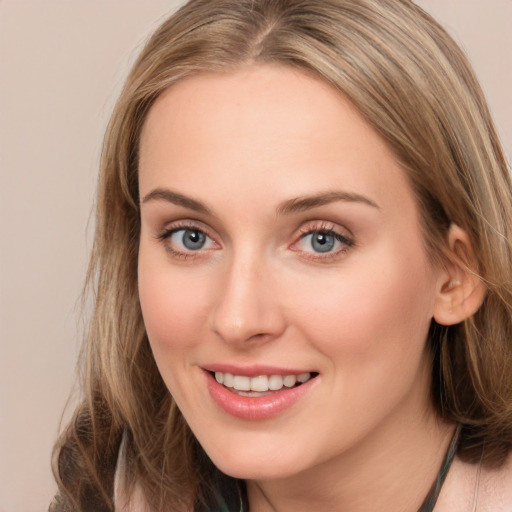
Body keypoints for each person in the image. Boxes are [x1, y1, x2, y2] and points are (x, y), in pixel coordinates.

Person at [50, 0, 512, 511]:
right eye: (190, 237)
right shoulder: (105, 485)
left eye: (322, 240)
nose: (238, 318)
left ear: (457, 275)